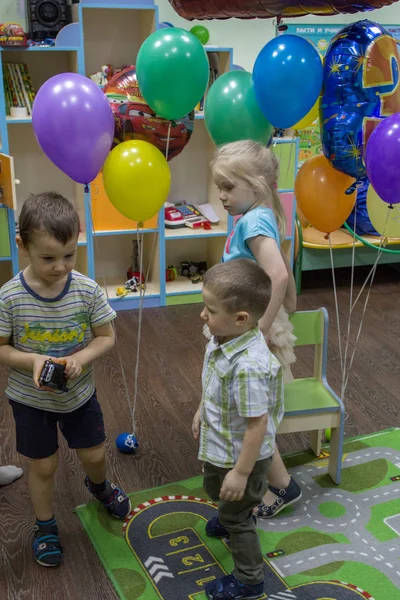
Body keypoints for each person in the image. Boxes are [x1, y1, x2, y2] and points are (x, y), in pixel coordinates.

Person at [0, 192, 131, 567]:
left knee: (94, 454)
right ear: (23, 245)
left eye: (69, 255)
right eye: (48, 258)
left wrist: (80, 358)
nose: (60, 267)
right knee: (43, 467)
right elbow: (1, 348)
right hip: (30, 401)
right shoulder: (9, 297)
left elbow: (107, 337)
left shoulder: (86, 290)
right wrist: (31, 360)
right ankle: (45, 526)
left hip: (79, 397)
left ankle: (100, 488)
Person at [209, 140, 301, 519]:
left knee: (250, 413)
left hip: (250, 328)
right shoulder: (259, 216)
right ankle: (267, 480)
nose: (222, 196)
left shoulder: (253, 221)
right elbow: (279, 273)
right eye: (220, 187)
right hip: (244, 321)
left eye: (229, 188)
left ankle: (280, 485)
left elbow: (278, 275)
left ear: (258, 185)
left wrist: (261, 329)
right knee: (248, 410)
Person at [193, 259, 284, 600]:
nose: (203, 315)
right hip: (223, 446)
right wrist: (203, 408)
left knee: (236, 511)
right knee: (215, 486)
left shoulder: (247, 367)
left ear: (241, 318)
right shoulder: (225, 339)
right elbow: (215, 382)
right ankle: (232, 511)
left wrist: (241, 473)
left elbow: (257, 424)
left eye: (210, 309)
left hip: (241, 458)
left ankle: (249, 579)